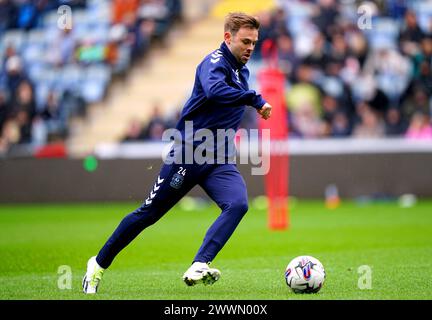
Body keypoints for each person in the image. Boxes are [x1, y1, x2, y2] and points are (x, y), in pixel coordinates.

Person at [82, 12, 272, 294]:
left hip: (219, 159)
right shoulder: (213, 64)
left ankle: (200, 263)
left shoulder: (242, 72)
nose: (250, 48)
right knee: (149, 214)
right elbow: (216, 91)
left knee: (238, 203)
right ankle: (97, 264)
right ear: (228, 37)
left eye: (254, 43)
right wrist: (253, 98)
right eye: (245, 41)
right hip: (188, 155)